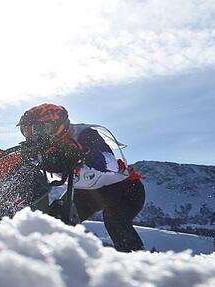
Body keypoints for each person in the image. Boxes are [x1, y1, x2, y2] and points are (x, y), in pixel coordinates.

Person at [17, 103, 146, 252]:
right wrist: (2, 157)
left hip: (123, 189)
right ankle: (50, 261)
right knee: (54, 221)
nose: (33, 136)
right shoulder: (42, 147)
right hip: (89, 193)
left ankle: (137, 264)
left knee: (115, 221)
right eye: (26, 131)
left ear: (55, 125)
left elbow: (110, 163)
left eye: (39, 129)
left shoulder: (84, 134)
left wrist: (83, 151)